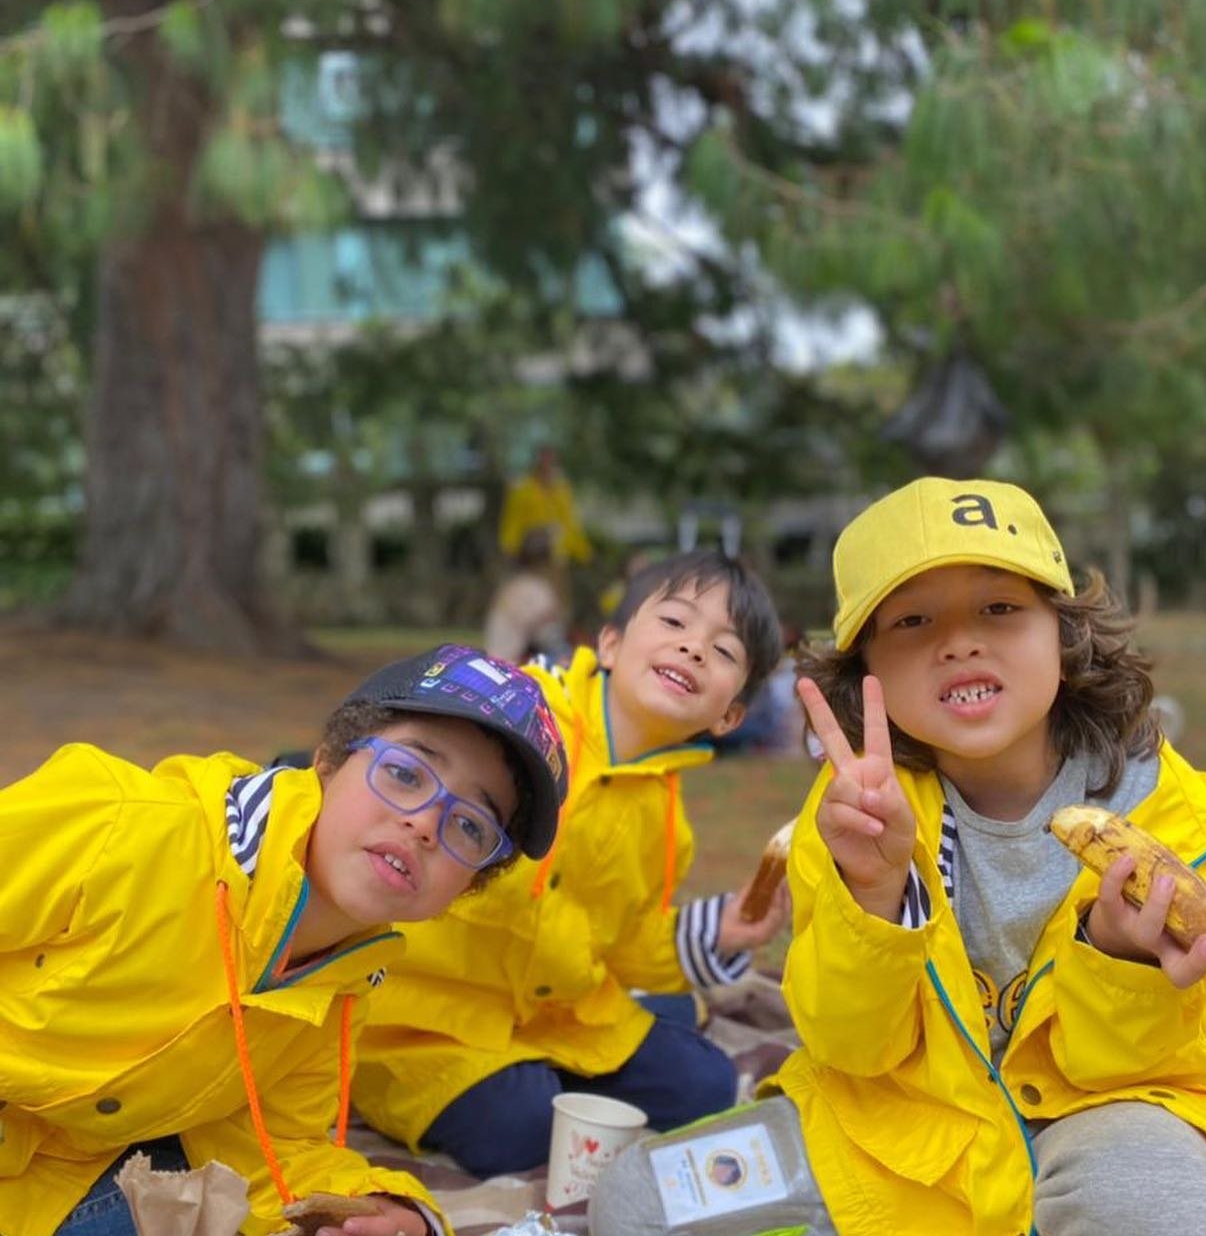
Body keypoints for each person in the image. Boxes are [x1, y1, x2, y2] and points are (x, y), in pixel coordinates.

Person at [589, 477, 1206, 1235]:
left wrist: (1119, 958)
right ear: (867, 672)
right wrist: (876, 893)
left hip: (1114, 1107)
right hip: (898, 1128)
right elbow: (850, 1049)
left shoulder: (1169, 816)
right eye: (913, 619)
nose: (958, 641)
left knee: (1164, 1207)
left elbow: (1148, 1063)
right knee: (637, 1196)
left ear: (1064, 630)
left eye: (1000, 607)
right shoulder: (849, 817)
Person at [0, 644, 568, 1236]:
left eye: (469, 825)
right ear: (327, 762)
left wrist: (395, 1215)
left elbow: (278, 1148)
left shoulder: (337, 988)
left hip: (68, 1181)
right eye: (405, 773)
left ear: (465, 888)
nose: (425, 823)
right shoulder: (126, 826)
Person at [352, 550, 788, 1176]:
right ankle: (564, 1066)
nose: (694, 648)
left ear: (729, 715)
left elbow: (630, 943)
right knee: (524, 1129)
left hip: (561, 1014)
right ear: (610, 644)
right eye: (674, 623)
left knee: (708, 1085)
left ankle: (612, 1041)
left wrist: (720, 932)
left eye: (724, 652)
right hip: (431, 1016)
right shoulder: (519, 723)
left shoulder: (666, 821)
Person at [497, 445, 592, 571]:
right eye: (543, 462)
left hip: (557, 557)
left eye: (551, 462)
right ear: (535, 465)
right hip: (528, 556)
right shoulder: (522, 490)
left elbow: (571, 523)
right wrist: (508, 547)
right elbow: (512, 521)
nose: (547, 466)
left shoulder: (563, 491)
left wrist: (584, 552)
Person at [482, 527, 569, 666]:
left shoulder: (513, 584)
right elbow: (549, 635)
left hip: (496, 656)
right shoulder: (535, 589)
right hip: (513, 660)